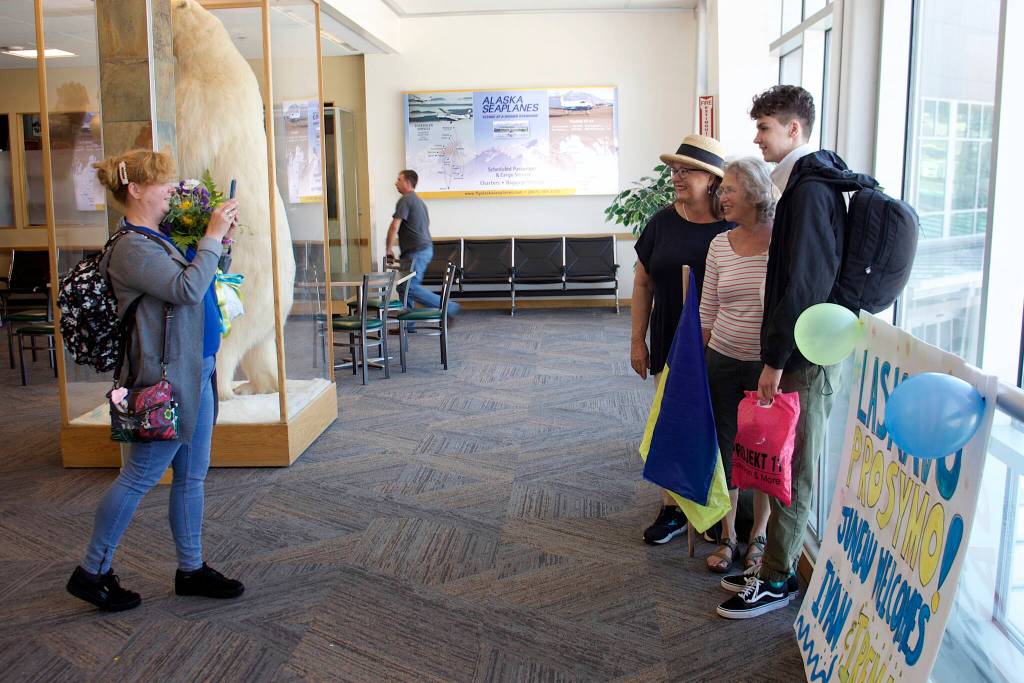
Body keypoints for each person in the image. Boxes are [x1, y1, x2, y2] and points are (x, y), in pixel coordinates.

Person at [66, 149, 243, 612]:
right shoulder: (131, 248)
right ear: (135, 189)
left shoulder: (157, 237)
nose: (171, 189)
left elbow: (205, 278)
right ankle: (92, 571)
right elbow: (185, 289)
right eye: (162, 183)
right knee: (139, 476)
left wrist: (220, 244)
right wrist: (209, 236)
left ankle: (191, 568)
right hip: (163, 382)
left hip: (196, 369)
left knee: (191, 477)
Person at [717, 85, 851, 618]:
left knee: (795, 466)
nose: (757, 137)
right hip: (805, 347)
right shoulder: (805, 184)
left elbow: (803, 284)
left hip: (807, 353)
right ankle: (773, 564)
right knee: (786, 459)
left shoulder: (811, 190)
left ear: (794, 130)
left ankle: (778, 579)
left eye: (765, 127)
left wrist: (775, 359)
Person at [632, 134, 732, 545]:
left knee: (717, 426)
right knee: (672, 422)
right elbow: (642, 283)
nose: (676, 176)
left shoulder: (733, 225)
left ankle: (712, 513)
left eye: (685, 170)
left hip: (722, 345)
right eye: (674, 169)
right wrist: (637, 340)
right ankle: (673, 509)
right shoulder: (661, 222)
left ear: (711, 179)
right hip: (670, 339)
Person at [698, 158, 775, 574]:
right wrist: (699, 361)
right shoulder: (719, 245)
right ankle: (728, 536)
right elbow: (707, 310)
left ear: (754, 193)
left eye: (728, 189)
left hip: (766, 368)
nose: (720, 196)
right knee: (726, 450)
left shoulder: (781, 242)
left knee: (761, 454)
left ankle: (758, 537)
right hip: (723, 360)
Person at [386, 169, 461, 328]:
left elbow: (394, 226)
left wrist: (388, 249)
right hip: (417, 250)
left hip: (417, 252)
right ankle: (407, 326)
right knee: (403, 288)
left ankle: (450, 307)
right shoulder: (419, 202)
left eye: (398, 180)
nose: (395, 183)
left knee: (409, 287)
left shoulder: (406, 200)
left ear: (407, 183)